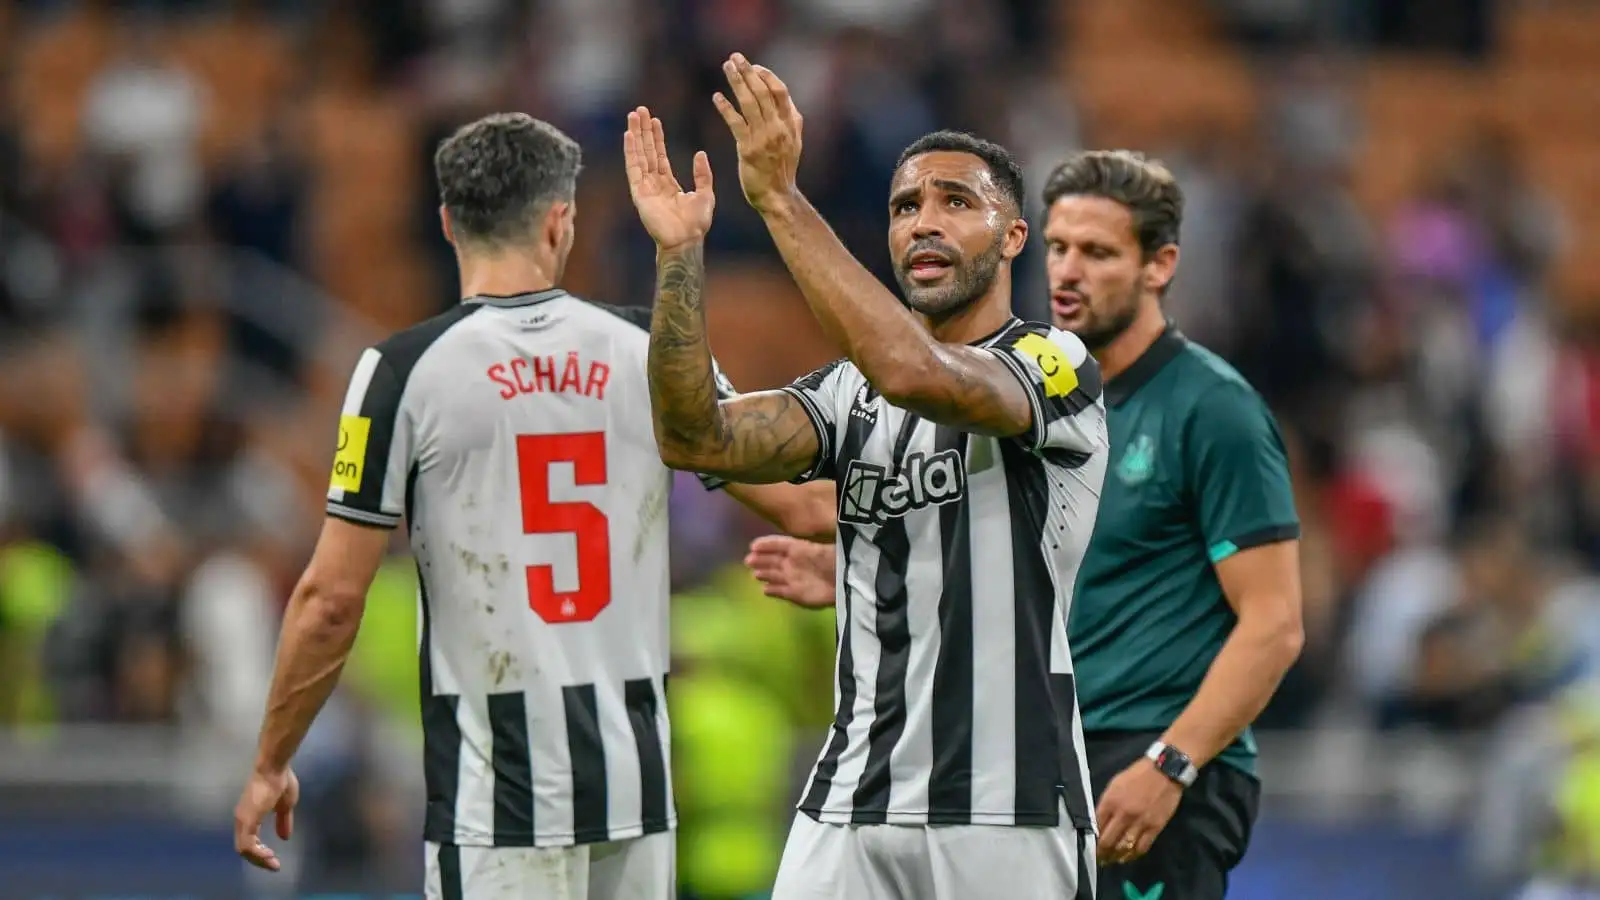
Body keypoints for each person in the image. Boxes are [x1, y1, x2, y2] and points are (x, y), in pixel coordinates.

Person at [230, 112, 833, 900]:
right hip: (636, 792)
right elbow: (808, 509)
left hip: (498, 800)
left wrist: (272, 760)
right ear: (561, 222)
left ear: (448, 223)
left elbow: (332, 600)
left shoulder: (401, 372)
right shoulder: (651, 349)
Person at [746, 149, 1306, 900]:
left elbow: (1274, 622)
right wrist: (871, 565)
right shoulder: (1028, 387)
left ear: (1159, 265)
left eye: (1100, 253)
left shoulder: (1212, 409)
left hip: (1154, 758)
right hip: (1040, 751)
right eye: (1061, 247)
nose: (1070, 271)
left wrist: (1172, 763)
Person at [624, 53, 1109, 899]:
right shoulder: (846, 392)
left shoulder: (1052, 362)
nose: (925, 221)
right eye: (906, 206)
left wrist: (777, 197)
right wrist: (679, 257)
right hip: (853, 797)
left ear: (1015, 236)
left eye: (957, 202)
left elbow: (916, 375)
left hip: (1009, 806)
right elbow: (696, 438)